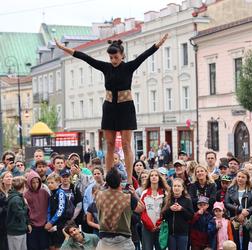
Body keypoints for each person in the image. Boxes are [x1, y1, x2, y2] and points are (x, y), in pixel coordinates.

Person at [55, 34, 168, 185]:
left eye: (116, 57)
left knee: (127, 145)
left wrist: (158, 45)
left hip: (126, 108)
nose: (113, 60)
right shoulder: (106, 67)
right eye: (111, 58)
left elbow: (145, 55)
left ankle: (128, 179)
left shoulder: (129, 66)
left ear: (122, 55)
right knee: (109, 145)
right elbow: (85, 57)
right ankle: (108, 177)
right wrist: (64, 49)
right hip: (109, 108)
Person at [95, 168, 143, 250]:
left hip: (104, 240)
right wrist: (134, 194)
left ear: (107, 181)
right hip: (123, 240)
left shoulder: (99, 195)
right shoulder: (127, 197)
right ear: (120, 181)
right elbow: (141, 208)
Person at [224, 169, 252, 250]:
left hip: (248, 220)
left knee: (247, 242)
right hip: (234, 219)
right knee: (235, 242)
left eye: (243, 177)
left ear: (247, 179)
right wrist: (239, 210)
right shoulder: (231, 189)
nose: (240, 179)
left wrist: (248, 211)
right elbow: (226, 203)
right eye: (239, 176)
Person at [140, 169, 170, 250]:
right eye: (152, 175)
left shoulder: (164, 193)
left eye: (156, 175)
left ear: (159, 178)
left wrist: (159, 224)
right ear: (149, 178)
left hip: (160, 227)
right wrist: (150, 225)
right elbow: (142, 211)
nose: (154, 177)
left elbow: (166, 211)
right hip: (147, 227)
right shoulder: (145, 193)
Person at [161, 178, 194, 250]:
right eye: (175, 186)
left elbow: (191, 216)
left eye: (179, 186)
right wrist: (170, 209)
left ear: (182, 188)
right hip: (170, 233)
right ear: (172, 188)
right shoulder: (167, 200)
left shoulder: (187, 200)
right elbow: (162, 215)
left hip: (183, 233)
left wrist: (182, 209)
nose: (176, 188)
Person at [24, 170, 50, 250]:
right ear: (29, 183)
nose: (35, 185)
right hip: (32, 226)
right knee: (33, 246)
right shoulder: (26, 194)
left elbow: (50, 207)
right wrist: (28, 223)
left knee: (44, 246)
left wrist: (49, 221)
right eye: (33, 182)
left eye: (37, 182)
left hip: (44, 225)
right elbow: (25, 211)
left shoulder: (44, 192)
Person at [6, 176, 30, 250]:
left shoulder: (18, 197)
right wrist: (26, 205)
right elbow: (21, 214)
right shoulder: (16, 199)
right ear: (23, 186)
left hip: (20, 230)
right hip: (15, 231)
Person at [45, 173, 68, 250]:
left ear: (58, 182)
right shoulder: (51, 195)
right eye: (48, 183)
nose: (50, 185)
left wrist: (51, 222)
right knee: (51, 246)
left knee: (59, 247)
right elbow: (48, 210)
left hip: (60, 225)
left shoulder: (60, 192)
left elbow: (60, 210)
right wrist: (48, 222)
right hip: (51, 226)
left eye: (52, 182)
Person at [0, 171, 13, 250]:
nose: (9, 178)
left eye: (11, 176)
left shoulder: (15, 191)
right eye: (7, 177)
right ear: (2, 180)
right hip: (1, 224)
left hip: (12, 224)